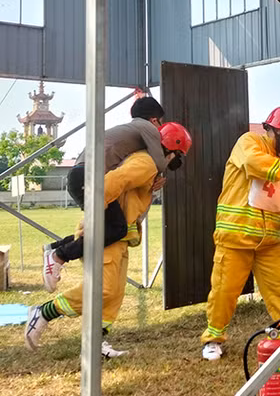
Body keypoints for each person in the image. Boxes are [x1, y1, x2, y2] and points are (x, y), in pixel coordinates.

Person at [24, 123, 192, 356]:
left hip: (121, 238)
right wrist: (96, 218)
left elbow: (130, 196)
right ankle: (43, 312)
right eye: (178, 157)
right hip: (110, 236)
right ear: (172, 151)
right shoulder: (146, 162)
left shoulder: (149, 167)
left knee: (114, 295)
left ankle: (95, 344)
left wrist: (150, 189)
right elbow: (114, 181)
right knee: (102, 290)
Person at [200, 105, 280, 362]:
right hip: (235, 237)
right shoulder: (249, 142)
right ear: (277, 130)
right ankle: (213, 338)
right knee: (224, 290)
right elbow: (254, 164)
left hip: (270, 242)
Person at [42, 97, 170, 293]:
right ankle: (59, 256)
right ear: (154, 120)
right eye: (160, 124)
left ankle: (54, 247)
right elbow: (159, 162)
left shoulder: (129, 130)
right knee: (118, 229)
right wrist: (162, 174)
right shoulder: (147, 127)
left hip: (81, 175)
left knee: (104, 227)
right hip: (88, 176)